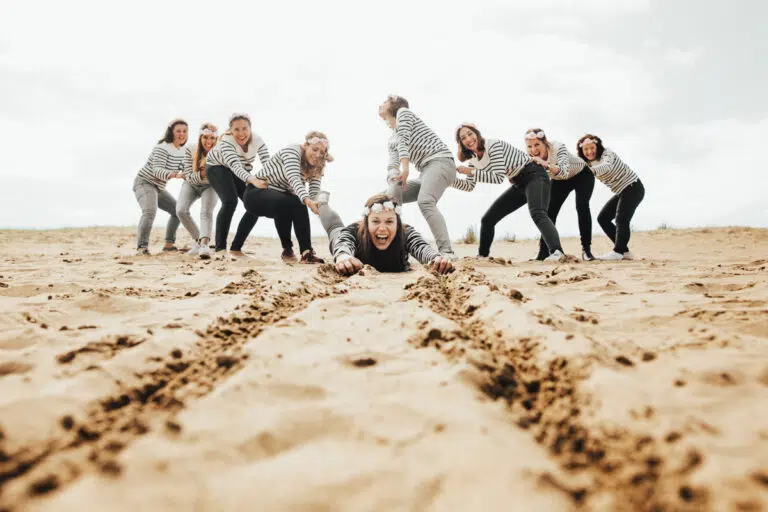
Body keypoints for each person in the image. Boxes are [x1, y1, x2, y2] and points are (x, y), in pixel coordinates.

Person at [453, 123, 566, 262]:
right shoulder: (472, 160)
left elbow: (498, 177)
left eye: (470, 134)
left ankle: (557, 252)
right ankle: (482, 256)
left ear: (477, 133)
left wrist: (471, 171)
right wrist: (450, 180)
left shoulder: (492, 145)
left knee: (538, 213)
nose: (468, 139)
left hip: (534, 174)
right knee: (488, 219)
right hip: (519, 183)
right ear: (461, 143)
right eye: (463, 138)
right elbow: (469, 186)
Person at [378, 95, 457, 259]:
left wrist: (405, 168)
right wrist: (393, 178)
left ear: (395, 104)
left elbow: (404, 140)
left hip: (440, 161)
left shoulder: (403, 112)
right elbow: (392, 165)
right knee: (383, 198)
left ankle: (447, 251)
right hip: (425, 172)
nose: (381, 103)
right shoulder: (392, 139)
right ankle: (392, 248)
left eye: (386, 101)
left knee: (425, 201)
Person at [242, 131, 331, 264]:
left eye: (322, 152)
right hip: (255, 194)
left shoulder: (318, 164)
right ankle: (291, 249)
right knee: (296, 200)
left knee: (293, 201)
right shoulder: (292, 151)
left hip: (279, 199)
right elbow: (294, 178)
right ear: (305, 145)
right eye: (314, 149)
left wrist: (318, 205)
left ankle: (303, 252)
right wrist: (307, 200)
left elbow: (313, 191)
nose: (318, 155)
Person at [205, 113, 283, 260]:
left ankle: (236, 249)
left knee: (255, 203)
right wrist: (253, 180)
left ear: (250, 128)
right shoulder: (226, 142)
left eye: (244, 128)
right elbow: (235, 166)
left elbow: (268, 163)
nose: (241, 133)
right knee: (230, 201)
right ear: (231, 131)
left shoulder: (257, 140)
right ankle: (220, 249)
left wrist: (276, 181)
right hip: (217, 166)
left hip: (241, 169)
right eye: (236, 129)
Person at [319, 193, 454, 275]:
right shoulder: (354, 231)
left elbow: (421, 247)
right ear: (366, 223)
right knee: (335, 229)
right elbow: (343, 243)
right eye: (375, 221)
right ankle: (322, 203)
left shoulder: (406, 232)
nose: (382, 228)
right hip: (343, 240)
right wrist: (343, 256)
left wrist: (435, 258)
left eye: (389, 221)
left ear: (397, 223)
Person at [525, 128, 596, 261]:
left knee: (582, 206)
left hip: (582, 174)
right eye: (529, 146)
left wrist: (545, 165)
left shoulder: (558, 147)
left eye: (537, 144)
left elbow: (564, 172)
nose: (533, 149)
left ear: (545, 143)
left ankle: (586, 250)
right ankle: (544, 251)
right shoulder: (530, 156)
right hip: (559, 180)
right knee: (548, 211)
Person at [577, 134, 645, 261]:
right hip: (621, 191)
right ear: (581, 151)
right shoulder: (586, 163)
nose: (589, 151)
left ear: (597, 146)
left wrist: (588, 170)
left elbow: (606, 166)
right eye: (586, 149)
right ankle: (624, 251)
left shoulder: (607, 154)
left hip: (633, 187)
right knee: (603, 218)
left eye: (592, 148)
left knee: (621, 219)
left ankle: (618, 251)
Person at [132, 118, 187, 255]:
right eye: (178, 131)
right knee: (149, 211)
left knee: (177, 211)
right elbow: (157, 170)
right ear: (171, 132)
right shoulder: (163, 147)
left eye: (184, 131)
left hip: (158, 187)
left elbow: (186, 168)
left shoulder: (182, 151)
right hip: (144, 182)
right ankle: (142, 247)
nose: (182, 134)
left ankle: (169, 245)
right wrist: (176, 175)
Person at [177, 122, 219, 259]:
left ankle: (204, 245)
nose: (209, 141)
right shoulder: (191, 149)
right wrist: (202, 173)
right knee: (181, 210)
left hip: (210, 185)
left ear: (216, 139)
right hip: (191, 184)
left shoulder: (220, 152)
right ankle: (198, 241)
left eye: (212, 138)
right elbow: (188, 176)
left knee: (206, 212)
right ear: (200, 137)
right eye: (205, 137)